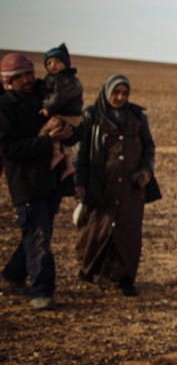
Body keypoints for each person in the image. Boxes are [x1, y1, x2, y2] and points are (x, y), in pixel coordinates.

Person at [0, 52, 78, 310]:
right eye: (20, 76)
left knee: (38, 234)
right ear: (8, 81)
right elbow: (10, 149)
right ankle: (42, 291)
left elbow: (68, 135)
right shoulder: (4, 108)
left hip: (51, 180)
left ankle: (13, 274)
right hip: (25, 183)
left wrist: (67, 134)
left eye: (29, 74)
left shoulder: (43, 100)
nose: (27, 80)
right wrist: (49, 141)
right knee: (39, 235)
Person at [74, 74, 159, 297]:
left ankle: (123, 278)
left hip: (131, 188)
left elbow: (149, 146)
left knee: (128, 231)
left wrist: (146, 171)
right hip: (101, 186)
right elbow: (81, 153)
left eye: (124, 93)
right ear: (106, 91)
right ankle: (89, 269)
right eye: (116, 92)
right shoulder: (92, 116)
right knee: (97, 228)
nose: (120, 97)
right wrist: (80, 183)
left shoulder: (137, 116)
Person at [39, 43, 84, 179]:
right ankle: (69, 165)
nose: (53, 65)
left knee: (45, 132)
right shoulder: (57, 78)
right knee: (64, 140)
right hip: (70, 115)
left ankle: (56, 153)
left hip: (67, 115)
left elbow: (59, 97)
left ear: (66, 64)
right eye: (49, 62)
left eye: (57, 62)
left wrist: (48, 108)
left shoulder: (64, 80)